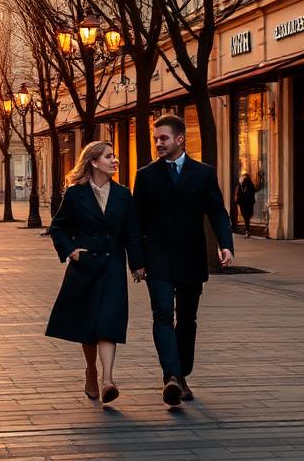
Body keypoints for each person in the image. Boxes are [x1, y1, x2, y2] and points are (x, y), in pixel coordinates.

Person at [131, 114, 234, 406]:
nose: (158, 144)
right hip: (157, 258)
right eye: (155, 139)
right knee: (163, 315)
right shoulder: (147, 175)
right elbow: (136, 221)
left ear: (179, 139)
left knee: (187, 319)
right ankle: (172, 377)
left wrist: (226, 245)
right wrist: (137, 260)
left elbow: (217, 212)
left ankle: (182, 373)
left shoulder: (203, 173)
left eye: (163, 138)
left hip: (191, 258)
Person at [44, 141, 145, 407]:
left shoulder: (124, 194)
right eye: (109, 156)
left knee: (108, 323)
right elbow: (58, 228)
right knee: (89, 326)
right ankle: (92, 370)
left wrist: (137, 264)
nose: (115, 161)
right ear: (93, 161)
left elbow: (132, 231)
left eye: (115, 156)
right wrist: (70, 251)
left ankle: (108, 381)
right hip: (85, 266)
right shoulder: (76, 194)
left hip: (112, 266)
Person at [235, 173, 257, 237]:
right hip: (246, 204)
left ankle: (247, 231)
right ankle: (247, 231)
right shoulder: (243, 185)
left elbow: (242, 195)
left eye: (243, 177)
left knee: (246, 217)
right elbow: (240, 194)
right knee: (246, 217)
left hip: (246, 204)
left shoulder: (246, 185)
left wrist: (239, 200)